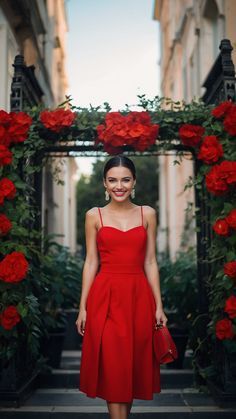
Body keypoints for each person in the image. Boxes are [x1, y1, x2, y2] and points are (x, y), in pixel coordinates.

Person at [76, 155, 168, 419]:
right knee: (114, 367)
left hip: (139, 298)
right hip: (105, 298)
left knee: (130, 369)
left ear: (134, 181)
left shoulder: (147, 213)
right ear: (104, 183)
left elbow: (151, 261)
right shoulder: (94, 216)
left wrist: (159, 306)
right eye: (113, 180)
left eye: (125, 179)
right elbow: (91, 261)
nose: (119, 186)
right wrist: (82, 307)